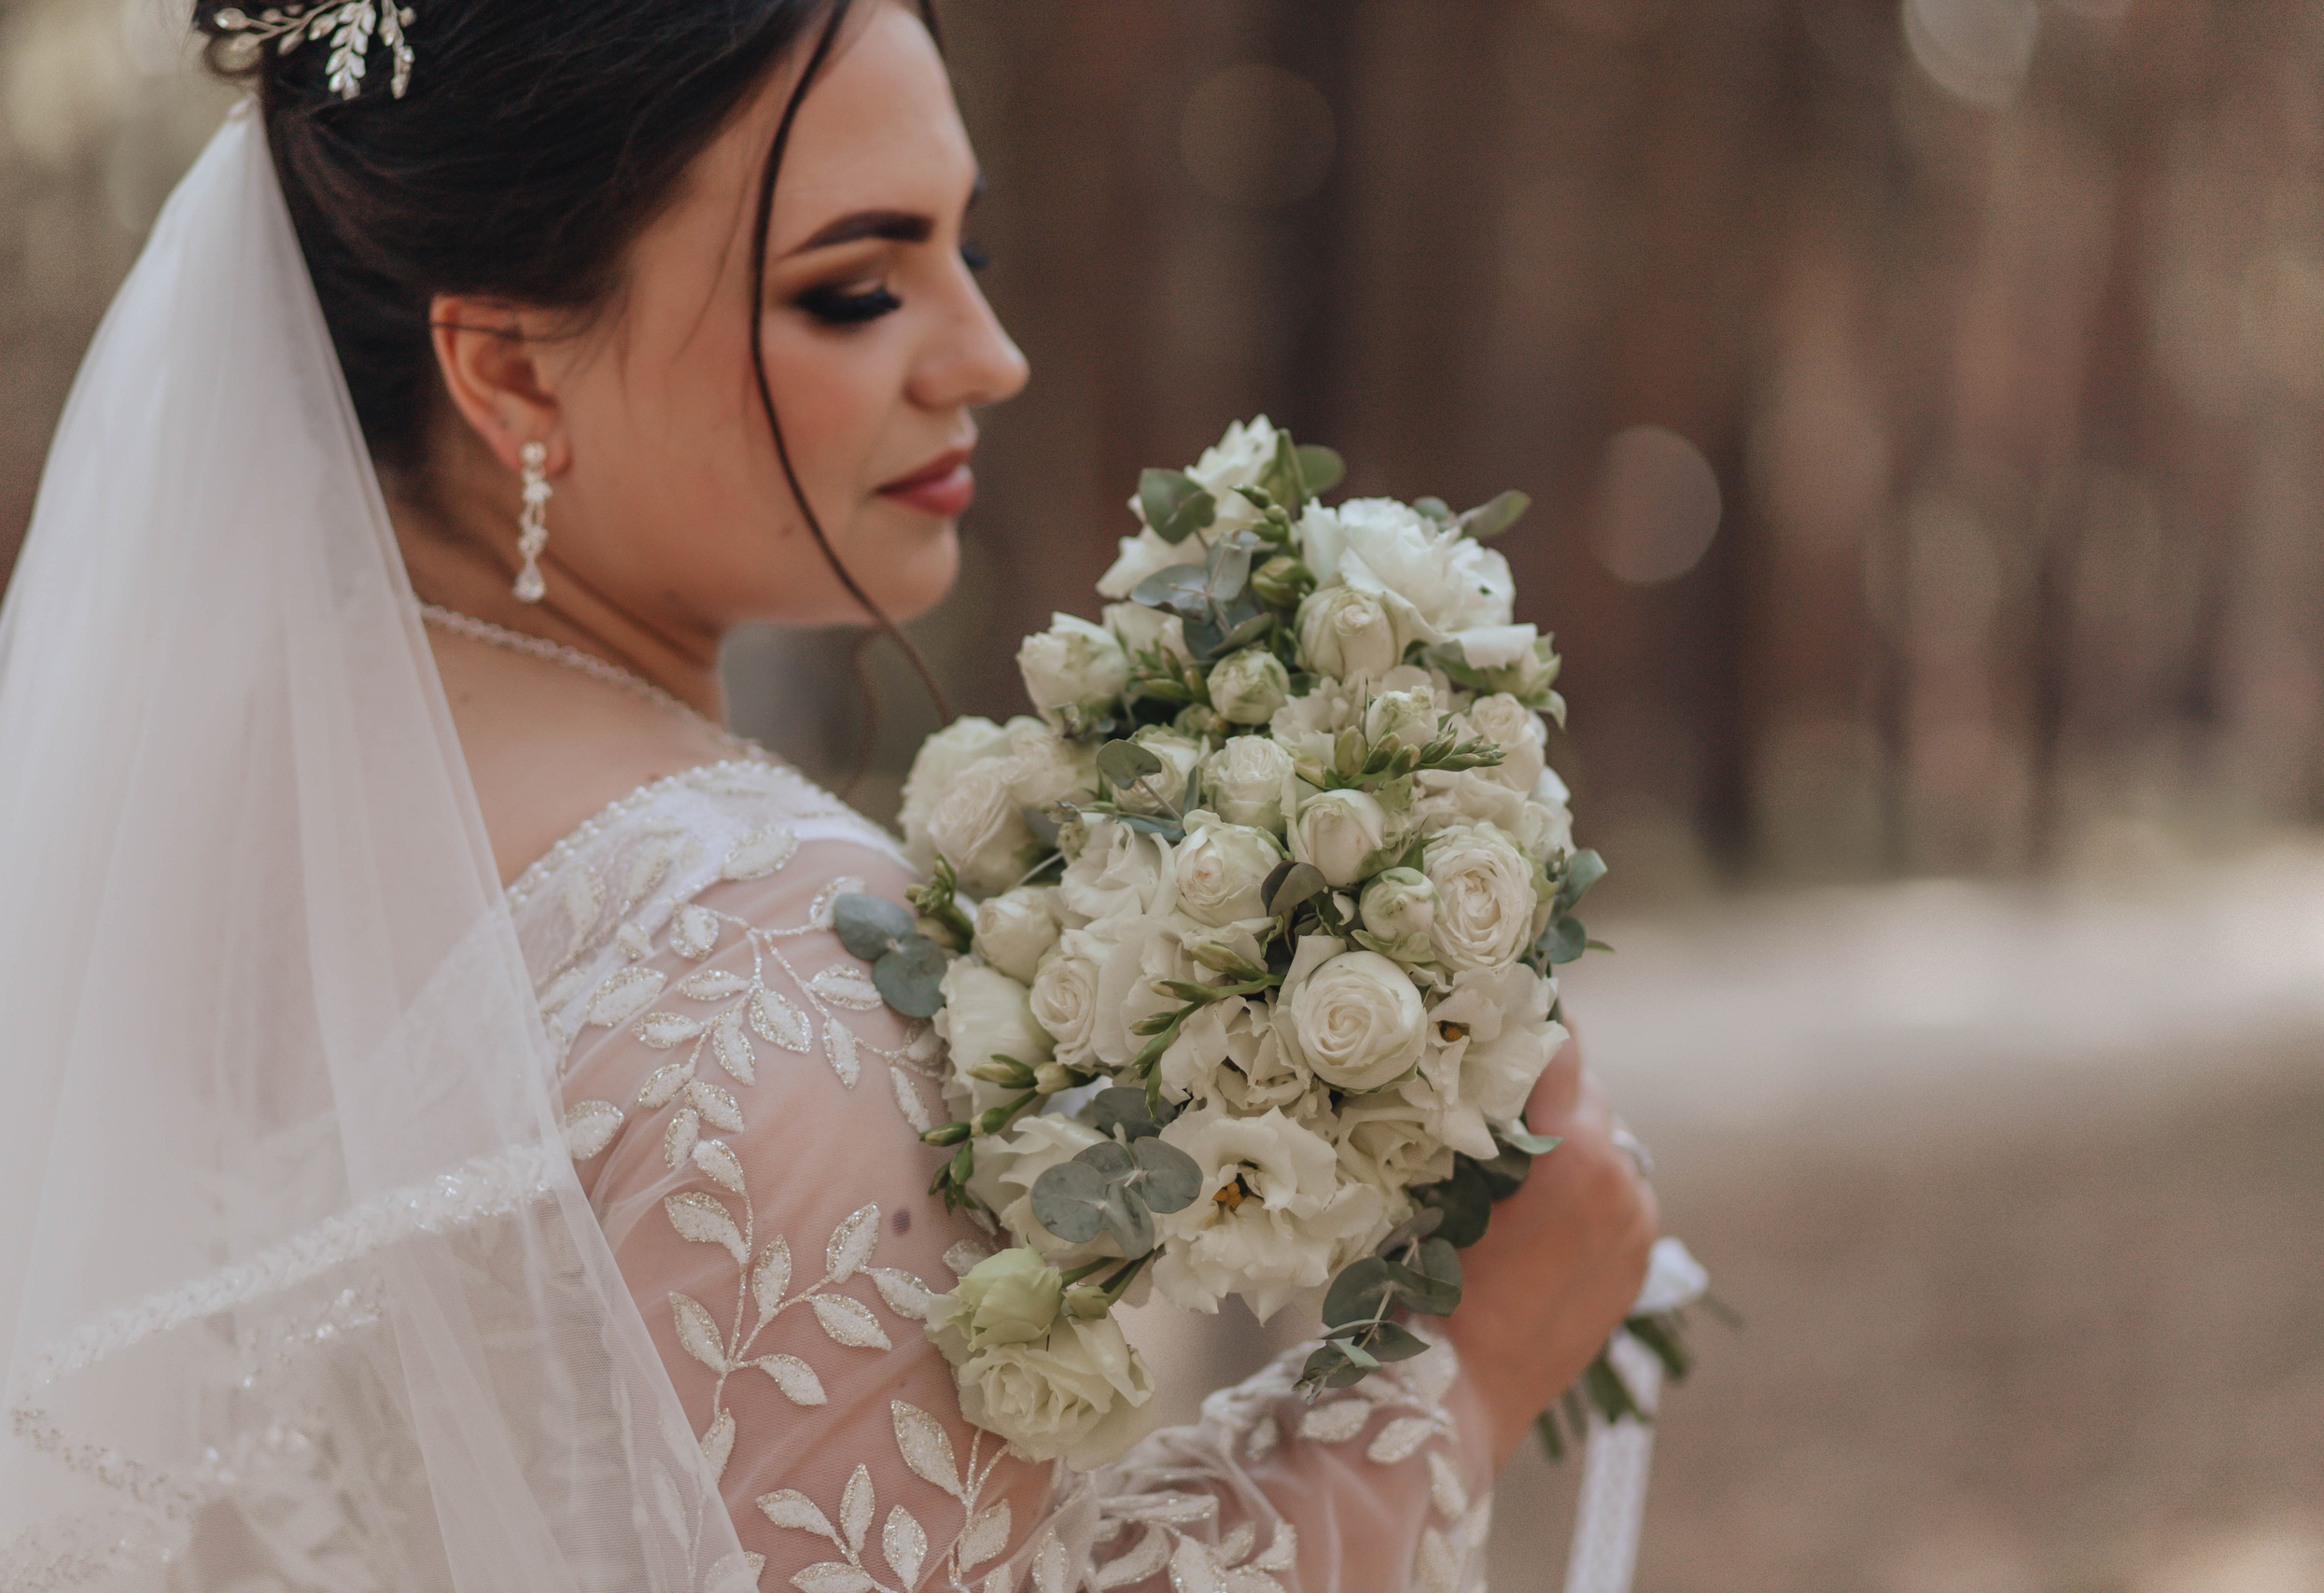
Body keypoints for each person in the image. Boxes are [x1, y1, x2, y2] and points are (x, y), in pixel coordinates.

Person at [0, 1, 1656, 1587]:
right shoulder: (761, 970)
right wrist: (1455, 1377)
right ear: (508, 371)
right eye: (859, 289)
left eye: (969, 252)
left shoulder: (132, 860)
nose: (986, 357)